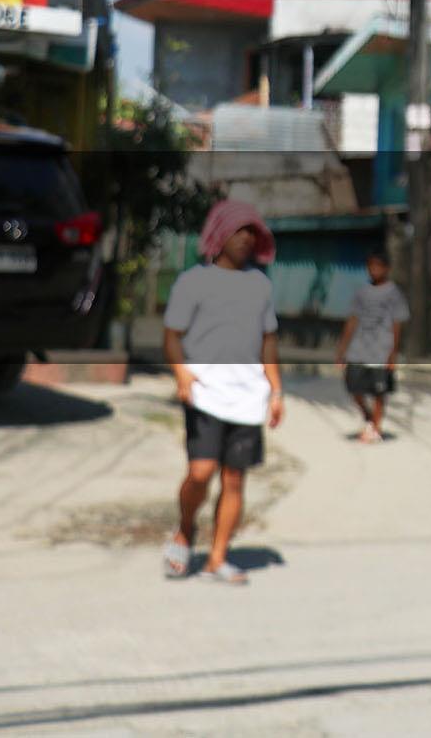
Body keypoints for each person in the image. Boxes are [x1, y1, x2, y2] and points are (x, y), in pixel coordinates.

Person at [161, 200, 283, 586]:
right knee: (201, 471)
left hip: (248, 397)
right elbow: (172, 336)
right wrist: (182, 375)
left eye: (252, 232)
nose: (246, 238)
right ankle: (185, 528)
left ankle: (217, 558)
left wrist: (276, 390)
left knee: (234, 480)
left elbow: (268, 341)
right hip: (205, 392)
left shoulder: (261, 285)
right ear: (219, 234)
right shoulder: (192, 282)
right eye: (238, 230)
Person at [335, 249, 409, 444]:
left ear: (386, 268)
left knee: (379, 391)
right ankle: (368, 416)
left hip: (381, 349)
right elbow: (352, 319)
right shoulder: (362, 292)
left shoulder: (394, 293)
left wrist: (393, 353)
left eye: (378, 266)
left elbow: (397, 323)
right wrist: (342, 348)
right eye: (371, 266)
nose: (374, 270)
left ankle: (376, 427)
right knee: (353, 386)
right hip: (359, 348)